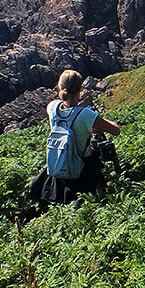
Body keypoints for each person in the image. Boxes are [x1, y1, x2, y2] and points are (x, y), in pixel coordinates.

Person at [38, 70, 120, 205]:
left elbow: (65, 110)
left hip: (59, 164)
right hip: (84, 169)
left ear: (60, 87)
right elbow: (116, 130)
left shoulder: (52, 107)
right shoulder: (86, 115)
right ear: (80, 89)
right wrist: (95, 120)